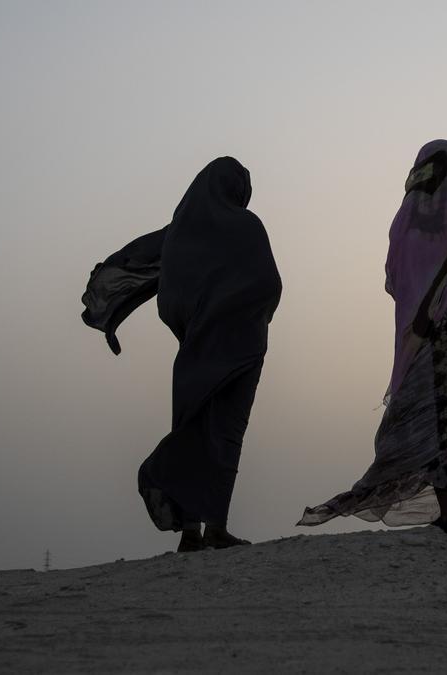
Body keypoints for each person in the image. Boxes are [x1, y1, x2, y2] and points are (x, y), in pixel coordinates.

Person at [298, 140, 447, 538]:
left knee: (436, 423)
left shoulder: (409, 225)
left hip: (428, 340)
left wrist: (436, 289)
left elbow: (395, 282)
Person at [82, 157, 281, 552]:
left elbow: (143, 268)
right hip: (240, 349)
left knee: (191, 427)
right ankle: (215, 527)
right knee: (225, 434)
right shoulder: (246, 226)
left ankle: (191, 531)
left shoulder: (178, 236)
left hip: (193, 352)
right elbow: (267, 282)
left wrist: (192, 322)